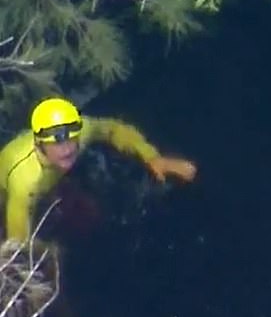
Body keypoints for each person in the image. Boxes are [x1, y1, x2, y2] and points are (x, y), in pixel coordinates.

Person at [0, 96, 197, 244]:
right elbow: (18, 246)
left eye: (72, 139)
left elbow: (112, 129)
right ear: (39, 143)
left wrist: (153, 158)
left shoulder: (82, 131)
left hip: (52, 181)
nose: (69, 149)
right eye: (58, 144)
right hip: (9, 197)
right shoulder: (24, 180)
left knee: (90, 218)